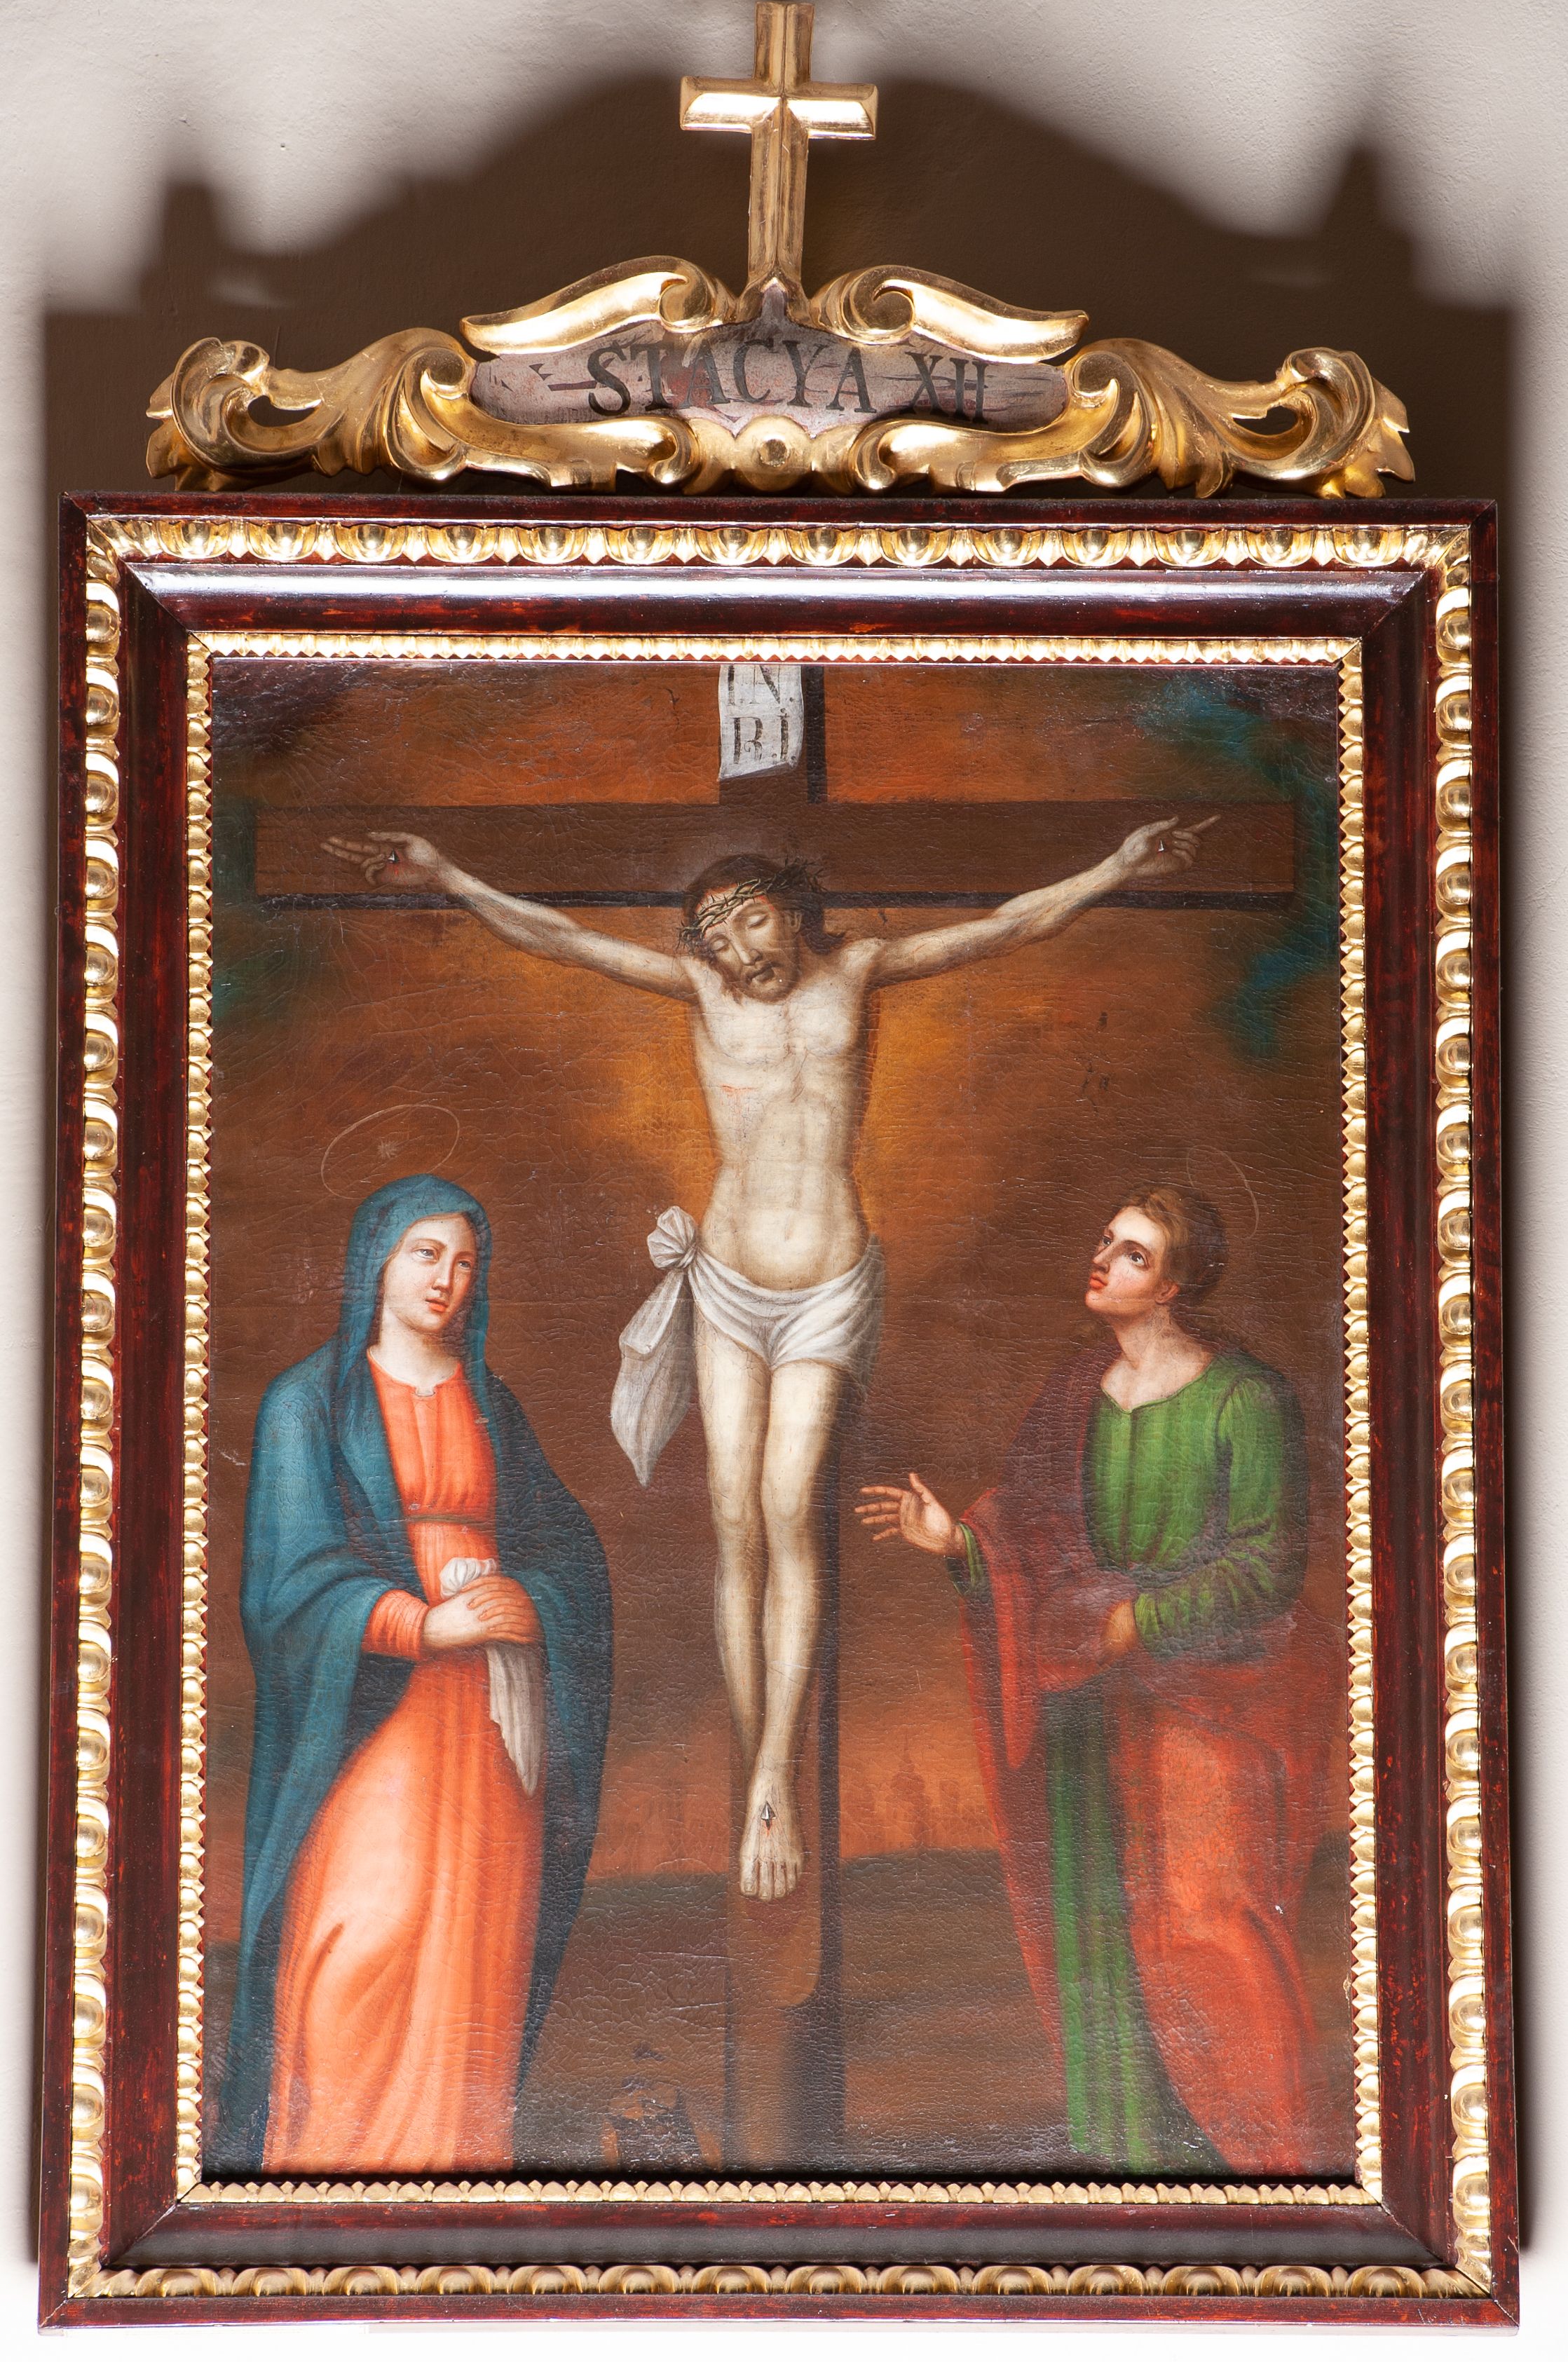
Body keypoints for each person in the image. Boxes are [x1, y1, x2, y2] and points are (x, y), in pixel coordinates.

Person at [325, 819, 1213, 1902]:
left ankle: (775, 1774)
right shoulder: (702, 993)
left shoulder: (861, 970)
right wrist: (448, 873)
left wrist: (1116, 864)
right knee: (732, 1519)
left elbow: (1003, 927)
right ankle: (762, 1776)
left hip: (827, 1288)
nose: (737, 947)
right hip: (729, 1283)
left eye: (749, 918)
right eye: (713, 935)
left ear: (790, 910)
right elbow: (559, 937)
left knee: (788, 1507)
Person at [857, 1185, 1342, 2177]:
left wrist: (1138, 1622)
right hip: (1086, 1709)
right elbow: (1027, 1532)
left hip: (1204, 1706)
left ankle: (1278, 2173)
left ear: (1172, 1286)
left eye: (1132, 1254)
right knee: (1099, 1942)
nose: (1103, 1258)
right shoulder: (1076, 1390)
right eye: (1106, 1240)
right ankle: (1137, 2173)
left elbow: (1267, 1567)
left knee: (1207, 1929)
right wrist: (958, 1544)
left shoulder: (1244, 1399)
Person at [213, 1175, 612, 2177]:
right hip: (380, 1709)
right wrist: (420, 1624)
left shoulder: (492, 1403)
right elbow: (286, 1586)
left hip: (491, 1723)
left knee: (472, 1959)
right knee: (362, 1944)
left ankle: (449, 2187)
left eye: (467, 1262)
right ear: (377, 1262)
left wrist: (532, 1600)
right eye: (426, 1253)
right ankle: (318, 2183)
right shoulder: (309, 1402)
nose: (448, 1278)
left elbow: (570, 1551)